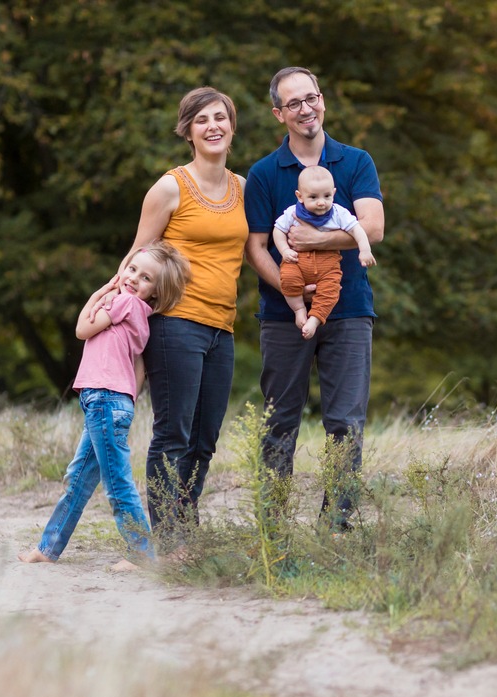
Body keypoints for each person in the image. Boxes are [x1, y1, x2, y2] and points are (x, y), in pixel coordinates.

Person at [245, 67, 384, 530]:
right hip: (283, 316)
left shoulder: (356, 161)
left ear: (322, 100)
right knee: (279, 420)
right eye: (294, 103)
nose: (306, 109)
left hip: (347, 311)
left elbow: (374, 228)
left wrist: (311, 241)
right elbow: (256, 246)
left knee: (345, 422)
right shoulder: (265, 173)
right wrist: (291, 290)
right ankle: (273, 527)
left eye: (313, 98)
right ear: (278, 113)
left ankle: (337, 528)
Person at [118, 86, 248, 538]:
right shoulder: (170, 186)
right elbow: (136, 256)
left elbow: (262, 250)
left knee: (205, 439)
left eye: (220, 118)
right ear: (188, 132)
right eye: (202, 120)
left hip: (222, 328)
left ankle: (184, 530)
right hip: (175, 324)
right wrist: (114, 310)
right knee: (173, 435)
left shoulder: (244, 189)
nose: (213, 126)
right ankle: (170, 540)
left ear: (231, 127)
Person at [18, 242, 191, 569]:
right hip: (114, 402)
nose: (134, 278)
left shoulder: (124, 302)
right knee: (79, 479)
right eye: (132, 269)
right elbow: (138, 366)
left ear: (155, 292)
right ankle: (48, 547)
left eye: (146, 278)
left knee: (117, 483)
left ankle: (144, 554)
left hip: (104, 400)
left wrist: (103, 291)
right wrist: (128, 400)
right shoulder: (142, 315)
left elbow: (82, 328)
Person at [273, 165, 376, 340]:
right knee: (289, 278)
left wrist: (364, 249)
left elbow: (357, 230)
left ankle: (314, 319)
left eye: (327, 196)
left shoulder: (338, 213)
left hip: (328, 265)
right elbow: (278, 230)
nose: (321, 202)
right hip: (297, 260)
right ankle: (299, 310)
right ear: (300, 196)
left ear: (333, 193)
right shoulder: (293, 212)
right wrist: (284, 250)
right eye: (313, 197)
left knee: (331, 290)